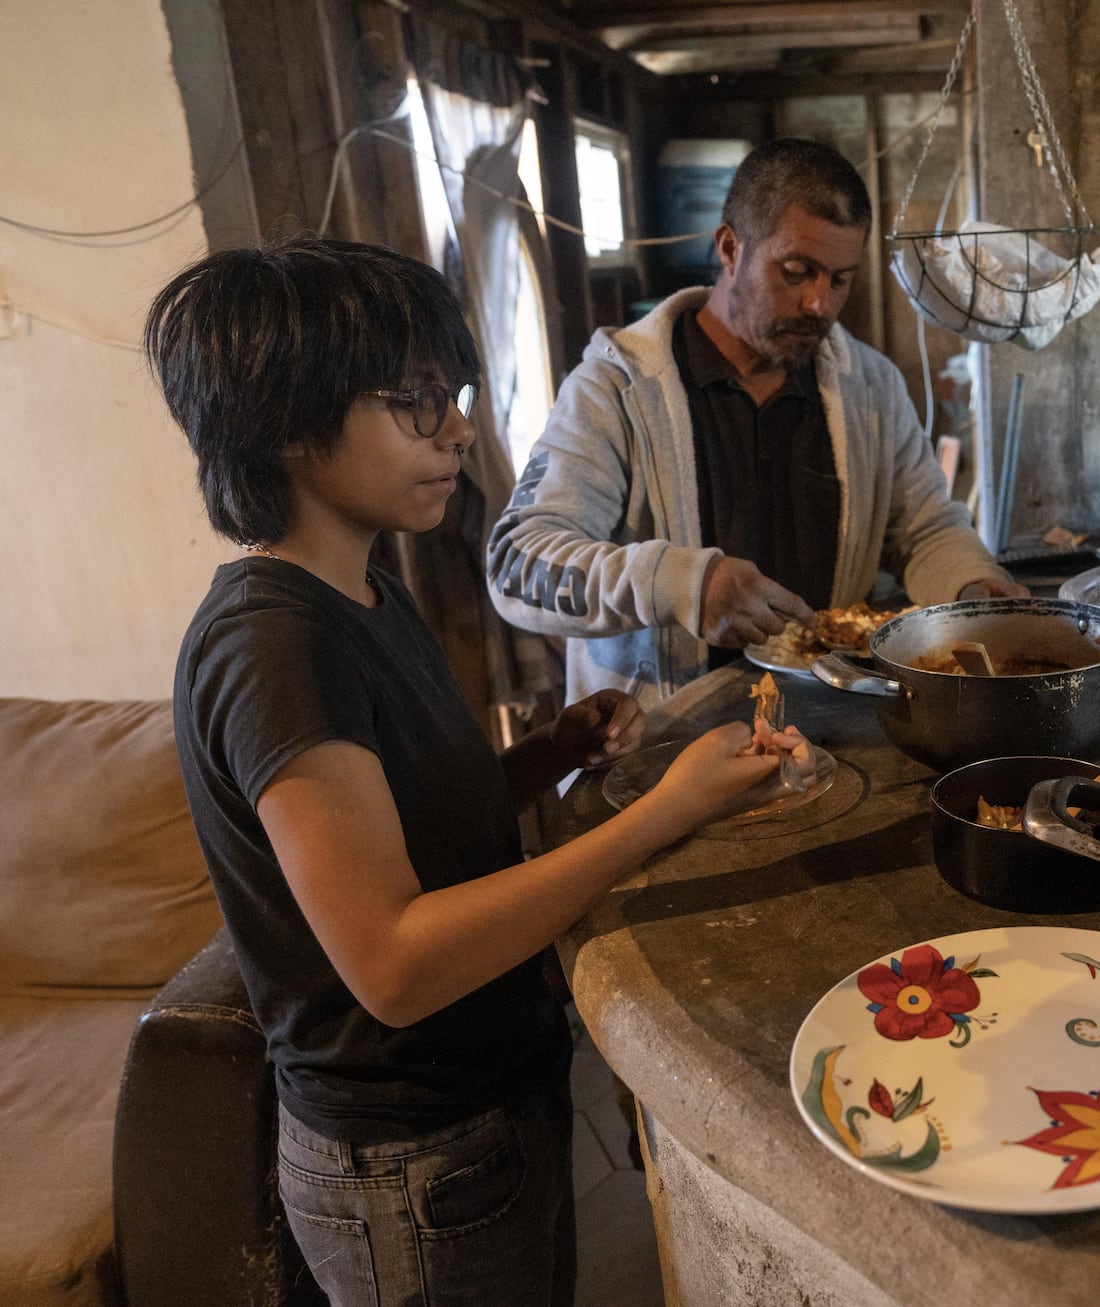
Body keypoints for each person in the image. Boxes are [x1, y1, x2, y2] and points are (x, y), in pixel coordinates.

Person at [147, 235, 816, 1306]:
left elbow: (409, 832)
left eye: (451, 394)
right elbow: (394, 961)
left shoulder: (359, 587)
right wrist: (665, 811)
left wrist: (549, 754)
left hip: (480, 1110)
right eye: (416, 400)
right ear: (288, 420)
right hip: (409, 1158)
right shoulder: (274, 647)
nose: (458, 428)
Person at [486, 137, 1023, 704]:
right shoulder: (616, 389)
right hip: (660, 742)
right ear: (730, 248)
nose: (819, 303)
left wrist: (969, 585)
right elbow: (517, 564)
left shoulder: (869, 387)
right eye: (797, 271)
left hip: (828, 728)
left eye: (839, 279)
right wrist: (682, 584)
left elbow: (923, 529)